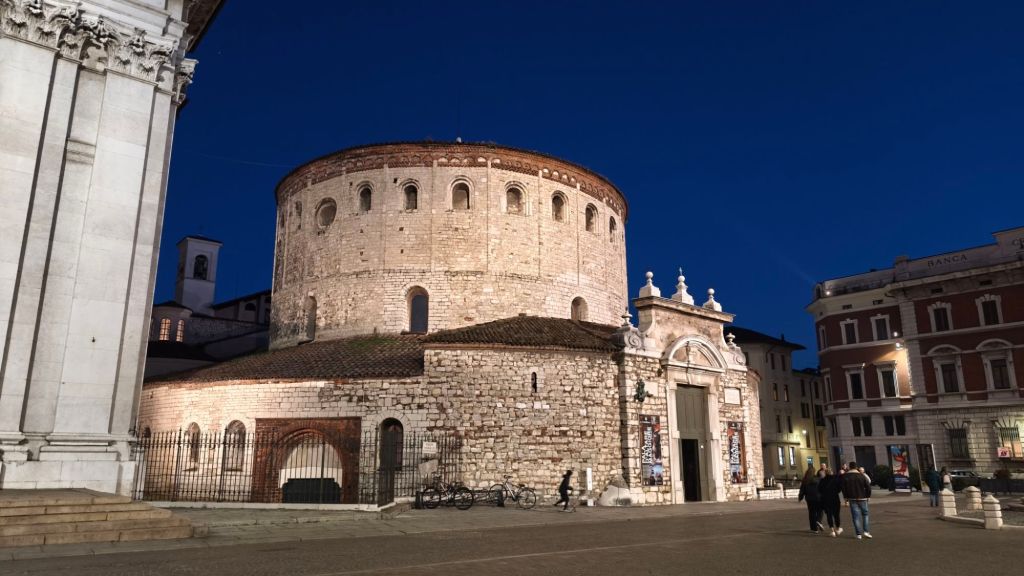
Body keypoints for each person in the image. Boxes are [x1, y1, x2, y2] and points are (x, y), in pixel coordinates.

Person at [841, 461, 872, 539]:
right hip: (863, 497)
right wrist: (868, 496)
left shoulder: (845, 476)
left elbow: (844, 488)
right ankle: (866, 531)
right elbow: (868, 486)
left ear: (850, 467)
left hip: (852, 498)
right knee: (865, 514)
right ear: (856, 467)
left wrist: (846, 498)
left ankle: (858, 534)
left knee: (856, 516)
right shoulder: (861, 475)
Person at [817, 467, 844, 537]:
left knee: (829, 515)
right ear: (831, 472)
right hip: (835, 499)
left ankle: (832, 530)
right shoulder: (835, 479)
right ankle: (838, 528)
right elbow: (839, 489)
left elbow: (819, 490)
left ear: (825, 473)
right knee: (836, 515)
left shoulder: (822, 480)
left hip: (825, 500)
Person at [797, 467, 823, 533]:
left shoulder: (805, 480)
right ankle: (818, 520)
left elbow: (802, 490)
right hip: (818, 497)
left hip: (809, 498)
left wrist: (800, 497)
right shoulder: (818, 479)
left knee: (811, 513)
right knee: (820, 510)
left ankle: (814, 528)